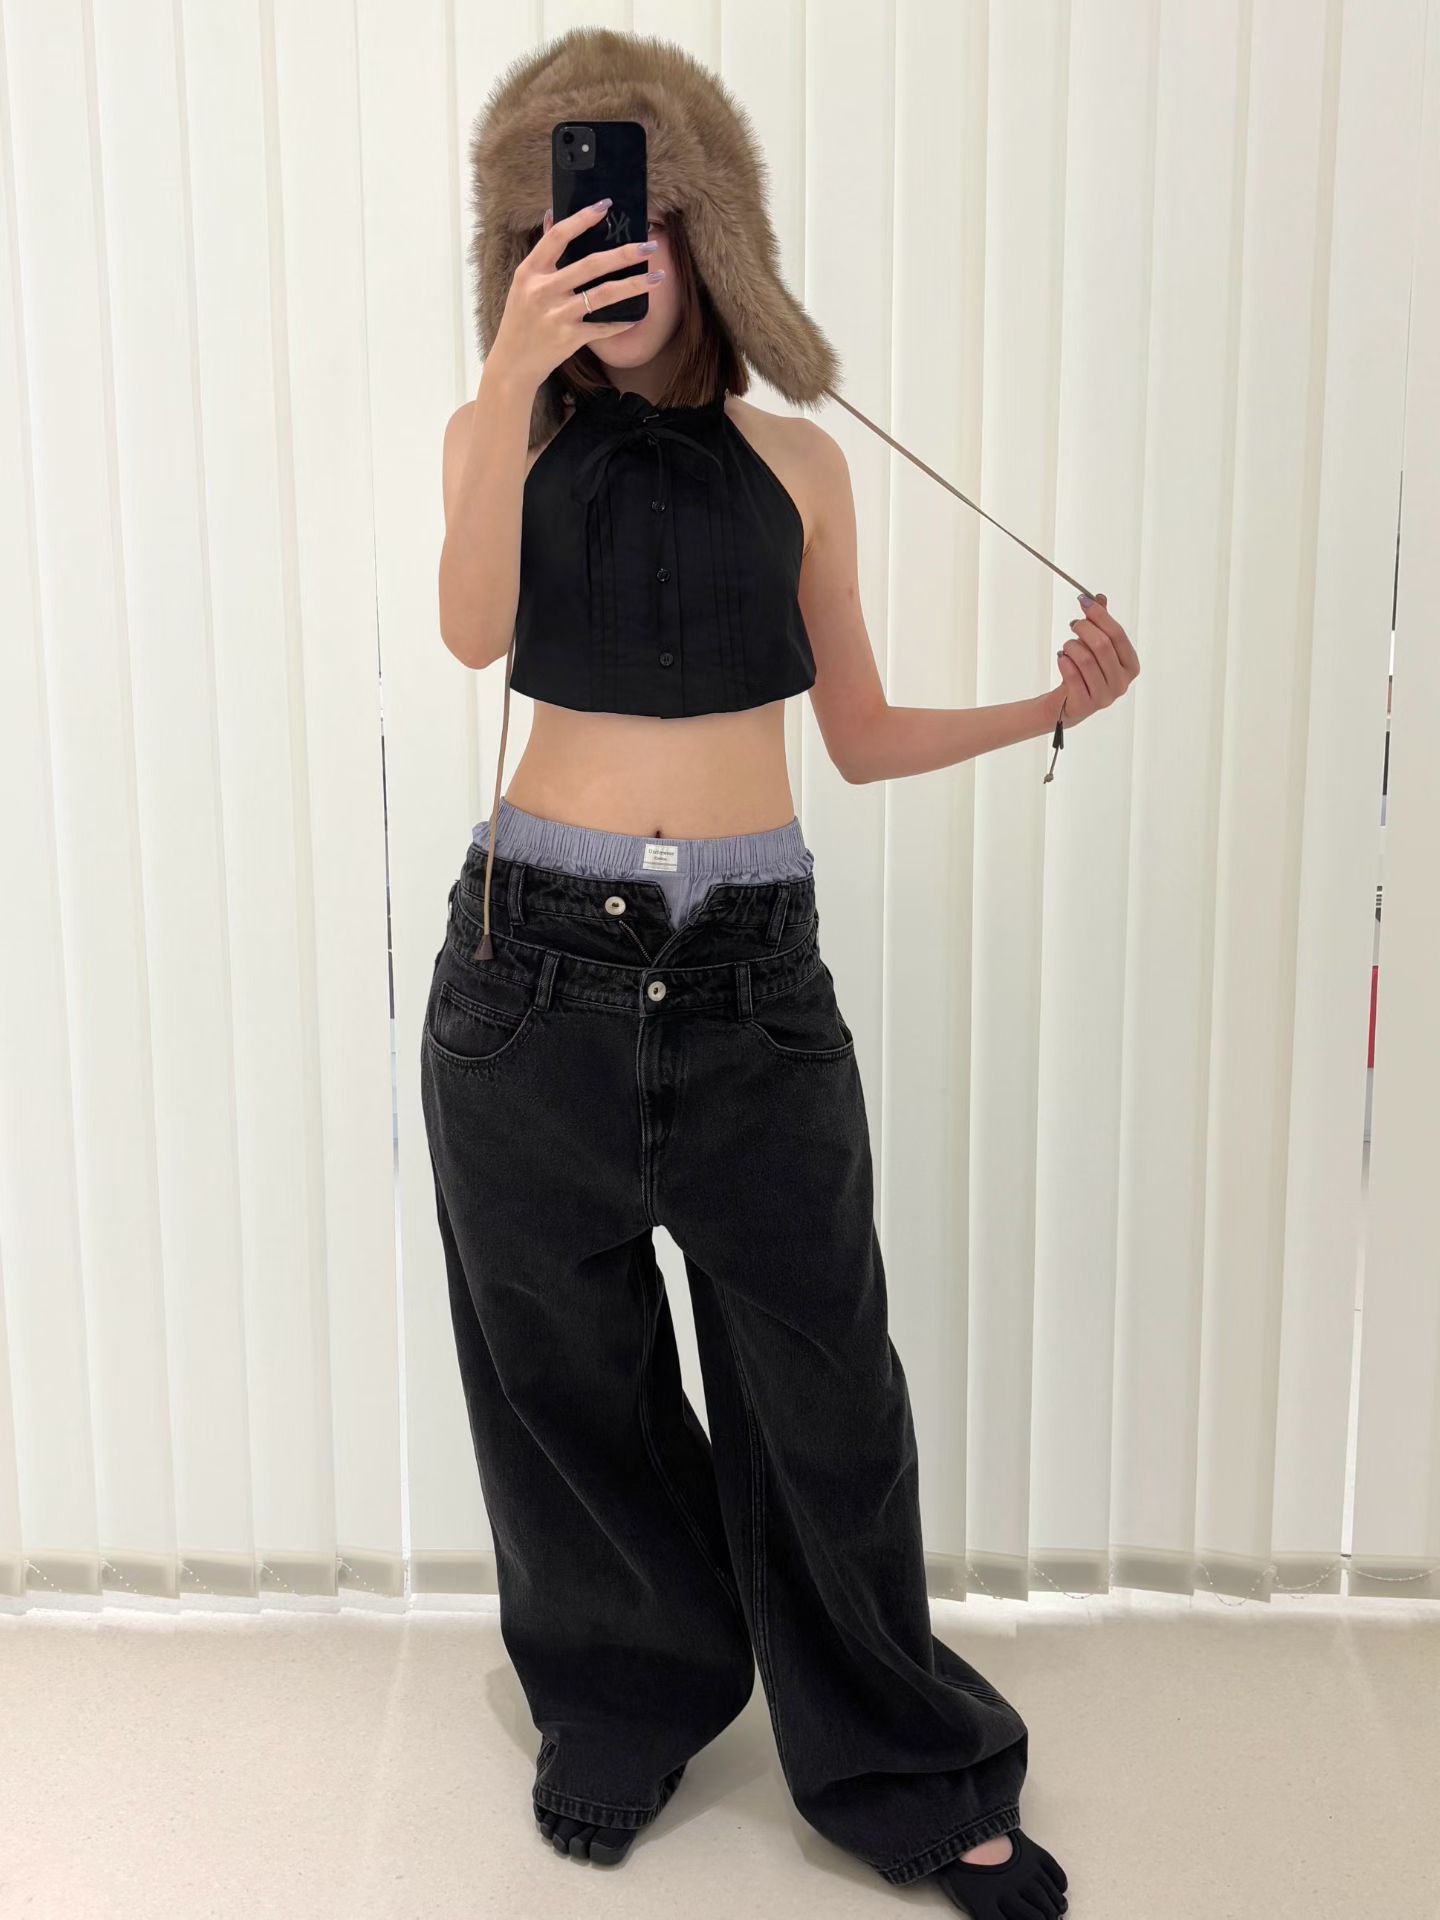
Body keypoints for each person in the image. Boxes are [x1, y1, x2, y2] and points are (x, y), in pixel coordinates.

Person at [423, 27, 1135, 1920]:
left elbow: (862, 737)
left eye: (641, 226)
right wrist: (508, 370)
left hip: (753, 981)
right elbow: (471, 628)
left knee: (825, 1393)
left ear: (711, 240)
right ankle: (623, 1703)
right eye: (565, 234)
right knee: (565, 1380)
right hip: (530, 976)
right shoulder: (501, 438)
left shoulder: (805, 466)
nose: (608, 263)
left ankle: (899, 1758)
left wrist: (1048, 709)